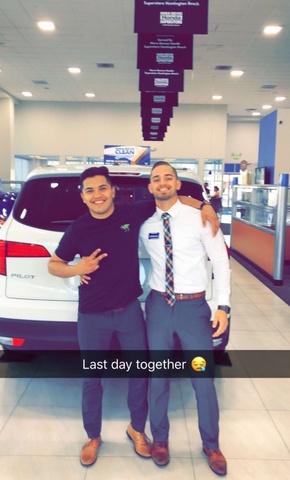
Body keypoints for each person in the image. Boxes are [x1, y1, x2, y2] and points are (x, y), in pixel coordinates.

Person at [47, 166, 219, 468]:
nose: (97, 195)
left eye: (102, 188)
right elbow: (54, 264)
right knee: (92, 379)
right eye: (90, 190)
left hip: (128, 312)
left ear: (113, 191)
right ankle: (93, 436)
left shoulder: (131, 213)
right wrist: (76, 269)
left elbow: (171, 198)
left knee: (139, 374)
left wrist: (206, 205)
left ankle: (137, 429)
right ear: (83, 197)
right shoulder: (77, 229)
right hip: (92, 315)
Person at [139, 162, 231, 476]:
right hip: (158, 307)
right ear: (150, 187)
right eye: (156, 179)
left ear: (177, 184)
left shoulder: (200, 218)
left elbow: (221, 261)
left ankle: (211, 443)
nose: (162, 183)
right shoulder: (144, 223)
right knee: (159, 376)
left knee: (202, 378)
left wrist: (224, 306)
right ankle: (160, 439)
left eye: (168, 178)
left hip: (193, 309)